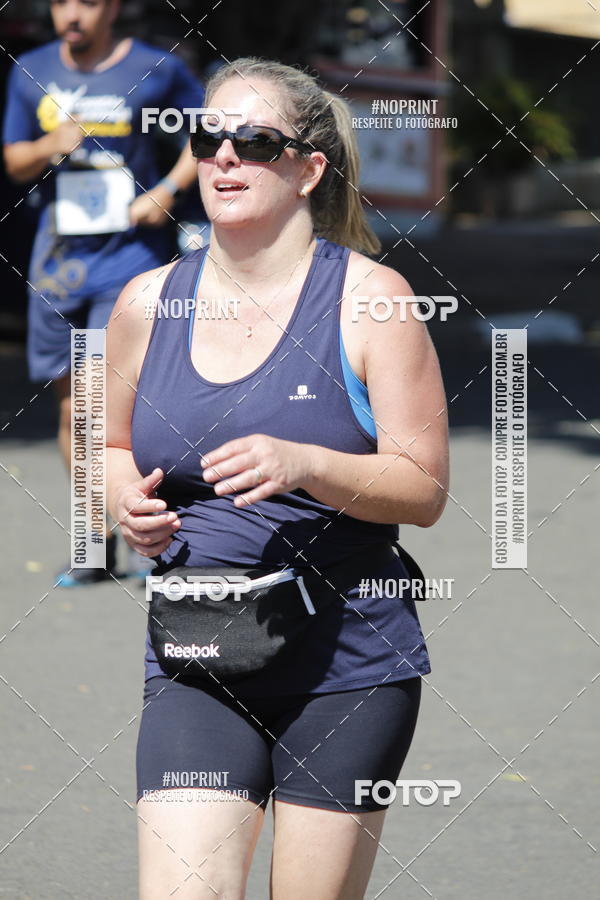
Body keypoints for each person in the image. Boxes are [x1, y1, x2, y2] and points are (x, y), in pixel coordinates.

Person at [106, 57, 449, 900]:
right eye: (209, 136)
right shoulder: (147, 303)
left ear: (307, 170)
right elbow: (108, 445)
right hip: (198, 652)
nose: (223, 157)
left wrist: (307, 464)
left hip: (349, 665)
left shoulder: (374, 301)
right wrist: (118, 503)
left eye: (254, 142)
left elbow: (425, 488)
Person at [2, 0, 203, 584]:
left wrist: (166, 190)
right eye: (61, 2)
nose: (72, 13)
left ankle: (149, 533)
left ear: (112, 9)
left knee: (125, 401)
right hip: (59, 262)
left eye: (87, 3)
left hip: (129, 257)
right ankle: (95, 538)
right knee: (74, 406)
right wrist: (49, 146)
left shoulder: (155, 66)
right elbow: (14, 160)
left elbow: (204, 128)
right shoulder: (31, 68)